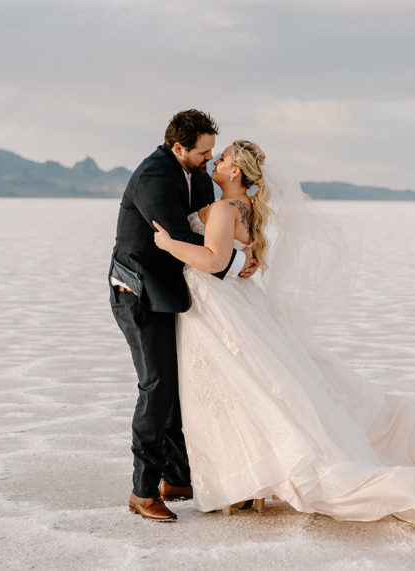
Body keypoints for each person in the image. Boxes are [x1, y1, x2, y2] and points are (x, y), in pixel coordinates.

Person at [152, 140, 415, 538]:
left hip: (217, 306)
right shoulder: (247, 207)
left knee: (234, 392)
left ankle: (246, 483)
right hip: (241, 304)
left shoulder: (223, 208)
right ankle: (250, 484)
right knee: (255, 390)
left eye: (224, 156)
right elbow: (241, 257)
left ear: (235, 172)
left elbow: (214, 261)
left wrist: (168, 244)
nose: (216, 160)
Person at [110, 110, 257, 522]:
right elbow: (179, 236)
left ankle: (177, 478)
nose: (211, 159)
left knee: (179, 383)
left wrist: (243, 250)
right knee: (156, 385)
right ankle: (142, 492)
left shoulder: (196, 172)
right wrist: (231, 259)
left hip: (176, 290)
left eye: (214, 151)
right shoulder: (154, 176)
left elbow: (213, 226)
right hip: (138, 292)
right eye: (204, 151)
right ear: (178, 148)